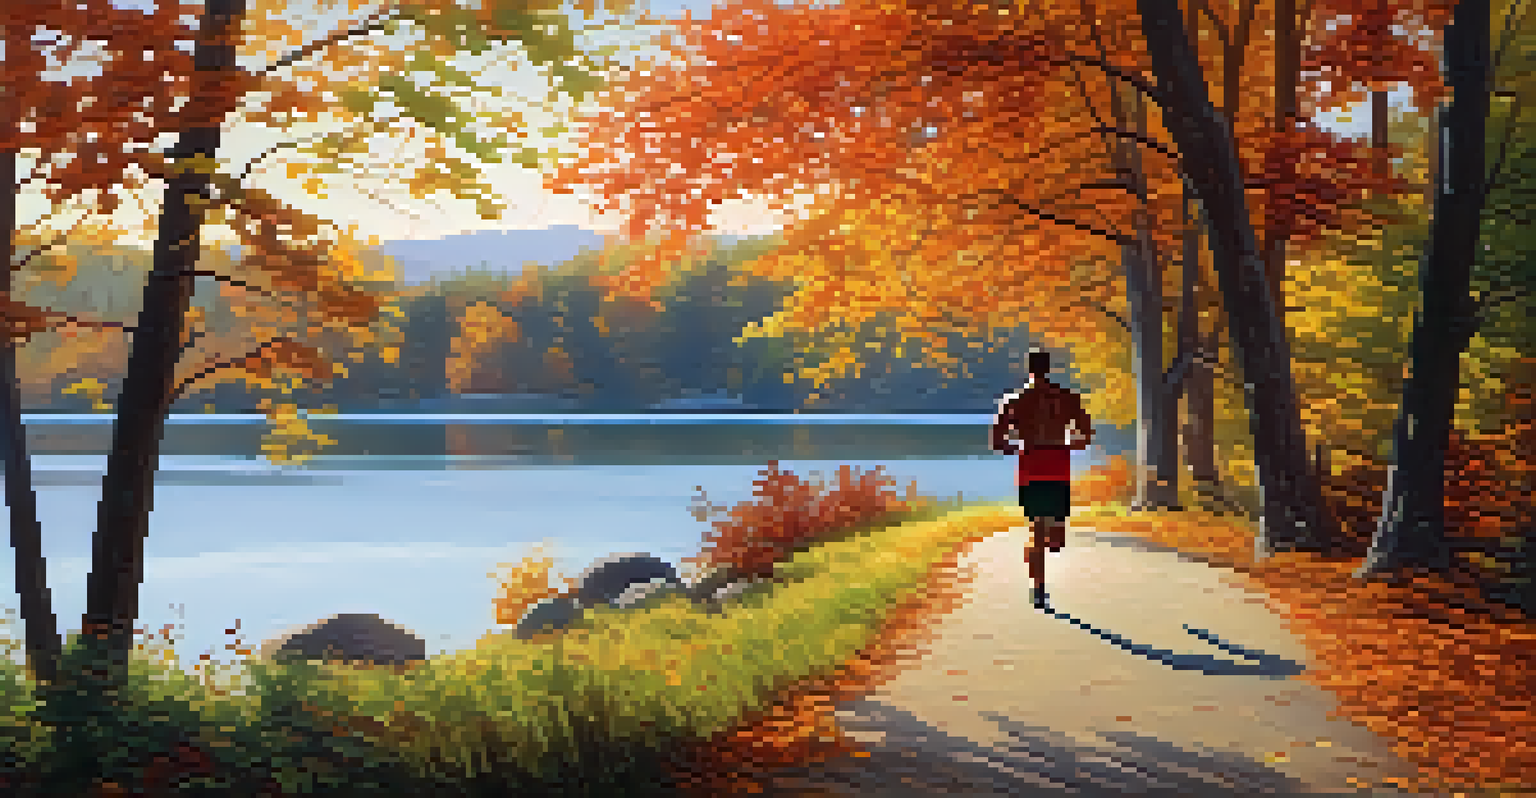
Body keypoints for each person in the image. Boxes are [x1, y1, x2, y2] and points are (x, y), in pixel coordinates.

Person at [991, 348, 1094, 609]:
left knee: (1037, 528)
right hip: (1057, 464)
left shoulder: (1014, 401)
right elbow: (1085, 436)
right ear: (1048, 368)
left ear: (1029, 369)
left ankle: (1037, 578)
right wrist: (1067, 445)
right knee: (1048, 533)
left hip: (1032, 465)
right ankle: (1039, 584)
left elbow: (997, 441)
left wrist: (1019, 447)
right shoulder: (1067, 398)